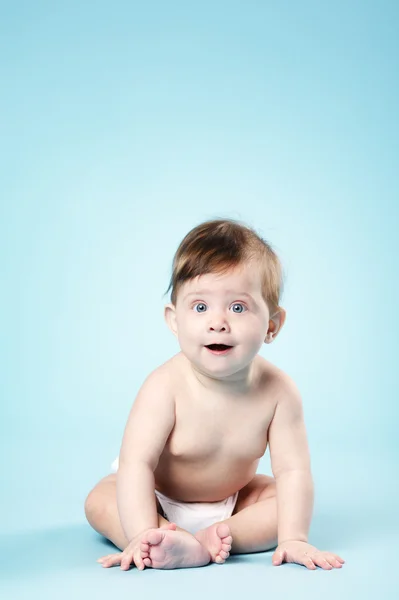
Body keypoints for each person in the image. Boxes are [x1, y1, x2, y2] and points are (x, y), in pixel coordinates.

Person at [84, 218, 345, 572]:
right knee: (100, 501)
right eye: (200, 307)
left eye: (238, 307)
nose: (218, 322)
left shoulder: (279, 392)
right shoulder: (164, 386)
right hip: (156, 499)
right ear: (174, 320)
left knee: (284, 501)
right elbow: (136, 465)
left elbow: (294, 470)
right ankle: (155, 537)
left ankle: (209, 540)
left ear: (272, 325)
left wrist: (293, 536)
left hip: (233, 501)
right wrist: (141, 527)